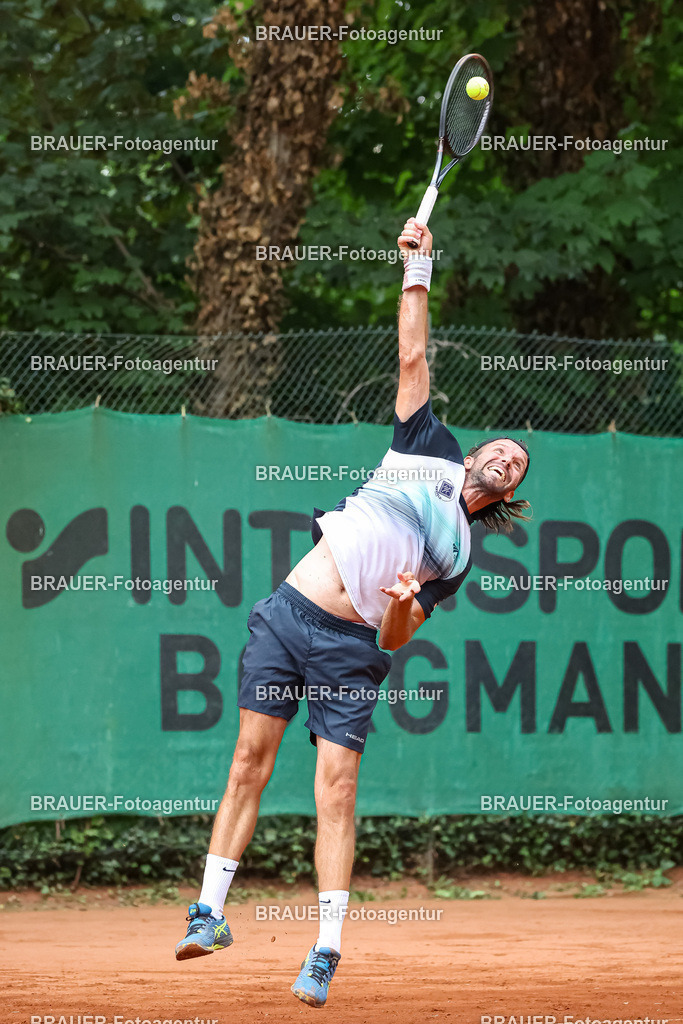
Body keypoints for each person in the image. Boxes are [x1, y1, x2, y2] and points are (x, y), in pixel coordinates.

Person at [174, 218, 532, 1007]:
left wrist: (401, 607)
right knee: (247, 763)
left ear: (507, 491)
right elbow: (411, 355)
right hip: (286, 615)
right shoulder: (426, 443)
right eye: (500, 448)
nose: (505, 458)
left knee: (334, 790)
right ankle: (209, 914)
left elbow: (397, 637)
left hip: (350, 649)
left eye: (516, 465)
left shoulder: (456, 559)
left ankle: (325, 949)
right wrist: (418, 268)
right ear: (475, 451)